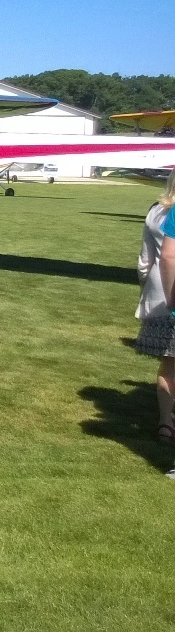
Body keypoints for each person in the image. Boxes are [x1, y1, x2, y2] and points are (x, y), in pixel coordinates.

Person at [144, 174, 175, 453]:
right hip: (170, 291)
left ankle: (165, 421)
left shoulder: (156, 211)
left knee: (168, 363)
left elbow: (147, 259)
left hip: (159, 294)